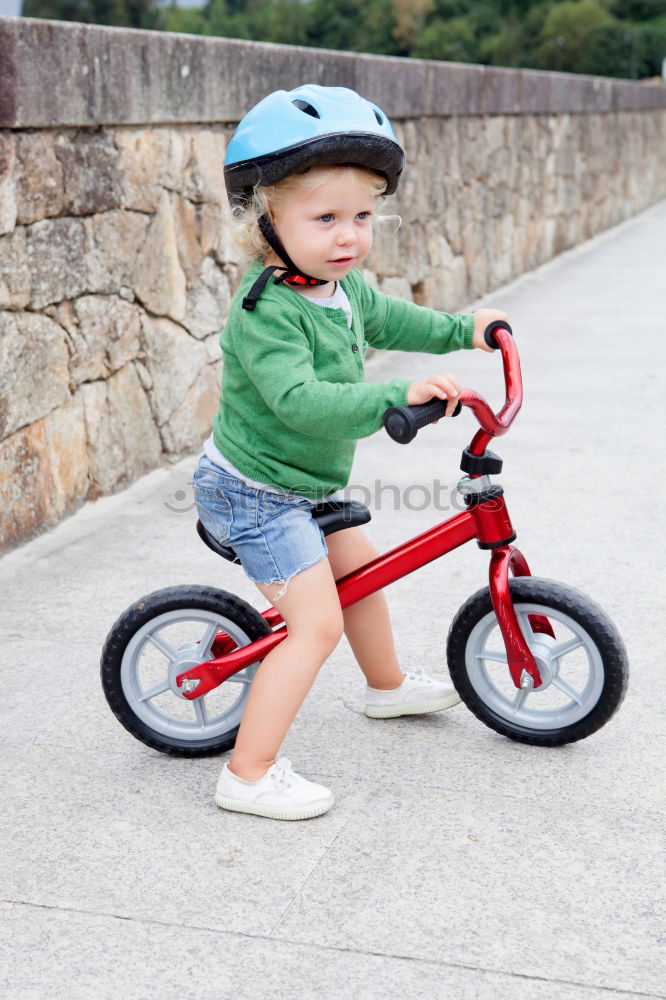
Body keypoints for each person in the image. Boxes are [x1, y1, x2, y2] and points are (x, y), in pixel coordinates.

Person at [192, 84, 508, 821]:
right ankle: (248, 772)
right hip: (254, 492)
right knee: (317, 623)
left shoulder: (341, 287)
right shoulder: (267, 311)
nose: (348, 236)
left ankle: (388, 686)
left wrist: (465, 330)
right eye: (326, 218)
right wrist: (392, 397)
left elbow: (392, 316)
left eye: (362, 216)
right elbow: (300, 402)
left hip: (301, 482)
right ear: (267, 220)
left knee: (362, 572)